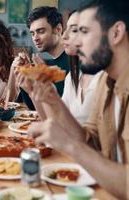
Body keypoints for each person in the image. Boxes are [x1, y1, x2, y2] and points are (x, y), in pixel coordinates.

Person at [25, 0, 129, 198]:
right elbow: (89, 142)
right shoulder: (106, 83)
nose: (75, 42)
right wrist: (54, 100)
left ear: (116, 33)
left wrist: (70, 145)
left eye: (84, 31)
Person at [17, 6, 69, 109]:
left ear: (58, 29)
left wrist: (45, 77)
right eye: (32, 33)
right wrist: (26, 76)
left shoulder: (74, 61)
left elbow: (63, 106)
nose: (35, 38)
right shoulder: (47, 64)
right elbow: (33, 108)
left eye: (40, 31)